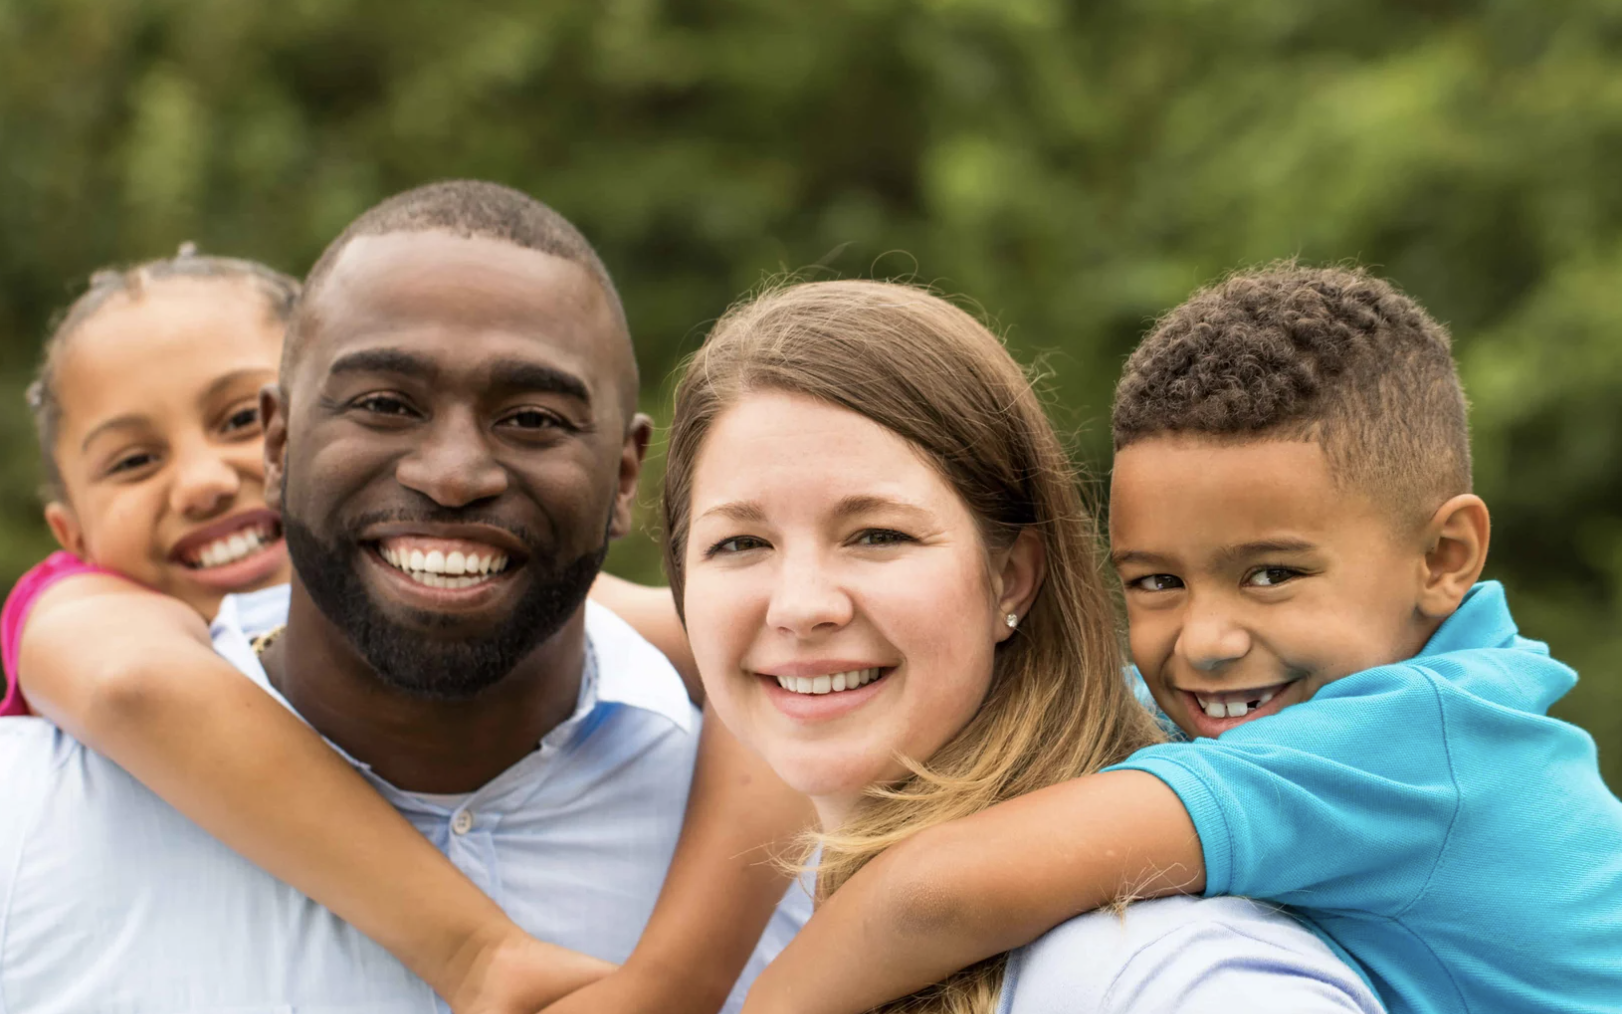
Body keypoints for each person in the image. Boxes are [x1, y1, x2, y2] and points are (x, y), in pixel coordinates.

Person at [0, 181, 806, 1012]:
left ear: (625, 472)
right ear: (287, 440)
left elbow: (767, 646)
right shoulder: (35, 804)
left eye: (531, 417)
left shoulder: (829, 823)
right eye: (384, 405)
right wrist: (480, 957)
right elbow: (127, 682)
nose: (452, 478)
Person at [741, 266, 1622, 1014]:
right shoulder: (1409, 703)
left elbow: (934, 898)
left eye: (1271, 574)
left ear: (1443, 557)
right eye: (1156, 582)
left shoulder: (1412, 744)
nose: (1204, 641)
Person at [664, 279, 1385, 1011]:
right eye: (740, 543)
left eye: (878, 535)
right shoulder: (778, 920)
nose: (801, 607)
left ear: (1011, 579)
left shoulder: (1164, 973)